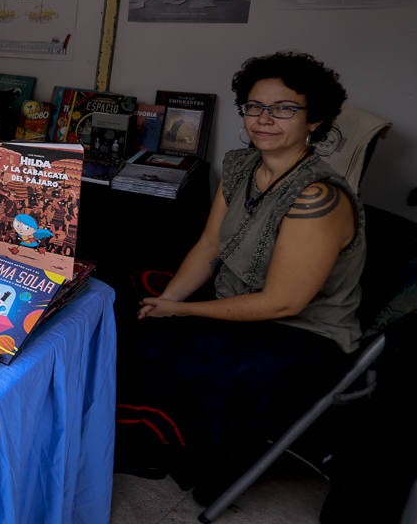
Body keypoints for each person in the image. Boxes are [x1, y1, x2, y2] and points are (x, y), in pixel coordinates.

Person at [115, 51, 365, 506]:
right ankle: (145, 442)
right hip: (238, 302)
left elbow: (283, 304)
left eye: (284, 108)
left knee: (203, 361)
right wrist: (165, 302)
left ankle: (202, 468)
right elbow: (210, 246)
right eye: (255, 106)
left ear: (315, 120)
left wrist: (181, 309)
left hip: (301, 332)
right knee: (130, 311)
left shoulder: (317, 197)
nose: (264, 119)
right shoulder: (241, 167)